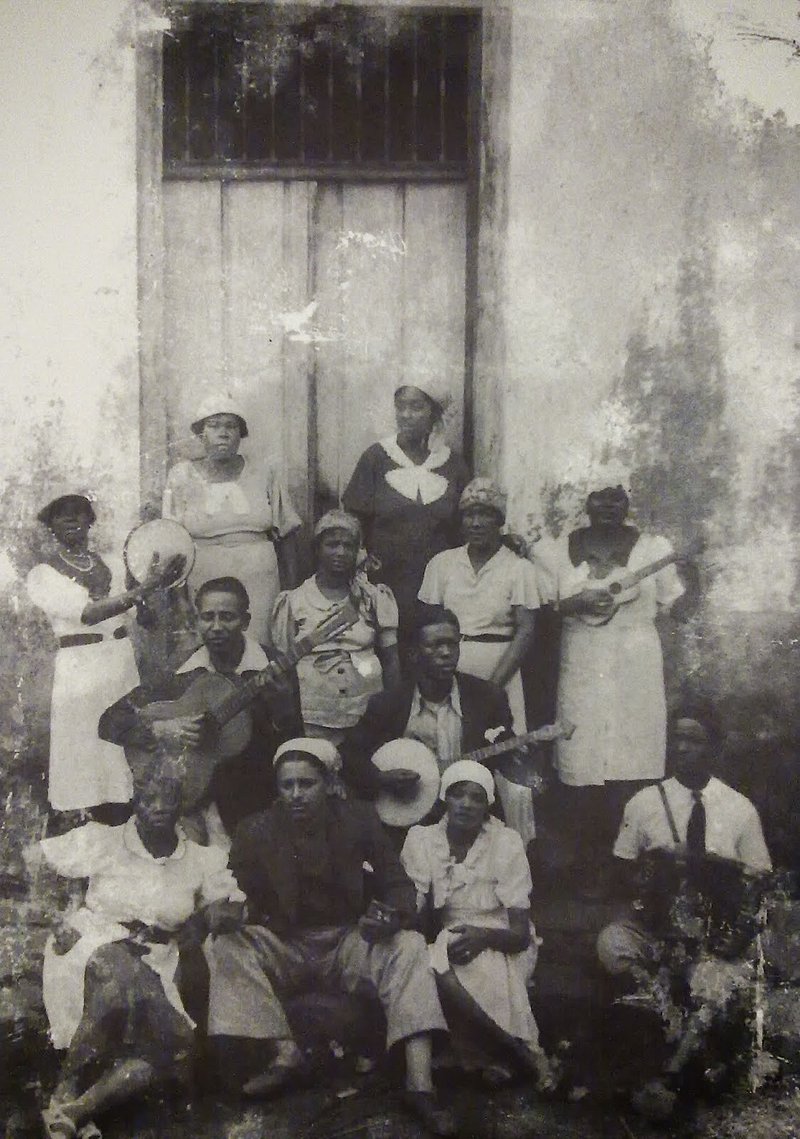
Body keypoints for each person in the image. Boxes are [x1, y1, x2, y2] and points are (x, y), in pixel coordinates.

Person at [204, 738, 457, 1136]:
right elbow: (233, 890)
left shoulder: (359, 818)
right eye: (287, 785)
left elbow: (397, 883)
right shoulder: (255, 829)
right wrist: (227, 912)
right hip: (286, 944)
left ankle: (420, 1084)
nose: (296, 794)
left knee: (409, 945)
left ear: (329, 783)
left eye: (307, 784)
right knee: (224, 945)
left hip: (347, 941)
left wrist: (391, 917)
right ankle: (285, 1053)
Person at [31, 762, 245, 1139]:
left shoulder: (200, 859)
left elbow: (230, 905)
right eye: (149, 798)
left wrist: (205, 918)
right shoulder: (105, 840)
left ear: (182, 803)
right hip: (91, 942)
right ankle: (66, 1090)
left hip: (157, 959)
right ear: (134, 800)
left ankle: (72, 1111)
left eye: (169, 798)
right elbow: (34, 858)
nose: (158, 806)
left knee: (175, 1046)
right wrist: (56, 916)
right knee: (120, 980)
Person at [596, 710, 772, 1120]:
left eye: (693, 739)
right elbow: (622, 872)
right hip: (658, 931)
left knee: (718, 981)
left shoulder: (739, 809)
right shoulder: (644, 803)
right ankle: (666, 1020)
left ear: (714, 747)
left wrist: (738, 933)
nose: (682, 748)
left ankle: (671, 1073)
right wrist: (652, 872)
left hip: (712, 937)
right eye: (676, 738)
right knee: (611, 942)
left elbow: (759, 883)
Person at [533, 485, 686, 885]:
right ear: (586, 502)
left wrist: (695, 574)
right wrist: (575, 603)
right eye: (599, 497)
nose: (607, 506)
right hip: (582, 663)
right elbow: (543, 608)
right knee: (582, 757)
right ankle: (590, 864)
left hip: (634, 666)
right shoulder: (554, 551)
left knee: (631, 759)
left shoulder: (654, 549)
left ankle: (630, 866)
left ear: (627, 502)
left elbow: (675, 606)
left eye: (616, 497)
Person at [99, 577, 302, 844]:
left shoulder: (272, 667)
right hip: (190, 803)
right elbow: (109, 722)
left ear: (245, 621)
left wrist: (283, 710)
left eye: (227, 617)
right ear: (197, 621)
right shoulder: (181, 670)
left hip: (253, 803)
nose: (216, 627)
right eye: (207, 617)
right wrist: (161, 729)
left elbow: (294, 743)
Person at [25, 491, 183, 820]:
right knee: (88, 753)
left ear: (90, 520)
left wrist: (152, 591)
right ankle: (92, 826)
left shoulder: (111, 562)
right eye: (62, 514)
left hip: (120, 664)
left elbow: (144, 617)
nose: (72, 519)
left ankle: (129, 823)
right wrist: (143, 588)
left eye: (79, 511)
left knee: (125, 753)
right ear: (51, 524)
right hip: (80, 669)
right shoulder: (42, 574)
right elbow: (87, 613)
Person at [401, 760, 553, 1091]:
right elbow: (416, 913)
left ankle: (494, 1053)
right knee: (439, 956)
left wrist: (483, 936)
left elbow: (519, 935)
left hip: (503, 938)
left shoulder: (506, 842)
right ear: (444, 798)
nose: (466, 804)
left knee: (472, 962)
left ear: (488, 805)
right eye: (458, 795)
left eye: (477, 797)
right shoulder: (422, 840)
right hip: (451, 936)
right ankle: (518, 1052)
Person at [418, 478, 540, 844]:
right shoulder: (442, 564)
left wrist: (492, 688)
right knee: (452, 754)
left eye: (485, 514)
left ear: (499, 520)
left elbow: (526, 631)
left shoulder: (518, 568)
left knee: (507, 759)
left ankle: (516, 849)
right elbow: (427, 623)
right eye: (469, 514)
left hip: (500, 668)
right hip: (449, 668)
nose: (476, 522)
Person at [340, 607, 517, 811]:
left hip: (467, 812)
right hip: (408, 809)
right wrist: (381, 778)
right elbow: (349, 755)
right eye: (435, 645)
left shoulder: (487, 698)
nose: (446, 653)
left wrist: (520, 754)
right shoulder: (389, 704)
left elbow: (504, 752)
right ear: (413, 653)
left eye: (452, 643)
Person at [162, 394, 301, 643]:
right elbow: (172, 545)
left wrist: (290, 595)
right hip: (203, 580)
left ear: (241, 434)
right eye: (214, 426)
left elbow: (288, 533)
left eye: (231, 426)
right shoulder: (181, 476)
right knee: (209, 650)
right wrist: (180, 600)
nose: (223, 434)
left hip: (259, 581)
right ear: (201, 434)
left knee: (259, 648)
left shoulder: (265, 472)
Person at [343, 384, 469, 642]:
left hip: (439, 587)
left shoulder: (453, 464)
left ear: (434, 413)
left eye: (416, 407)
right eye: (400, 407)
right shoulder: (376, 458)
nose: (406, 415)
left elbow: (466, 526)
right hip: (386, 584)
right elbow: (352, 522)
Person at [270, 510, 400, 742]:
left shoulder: (373, 598)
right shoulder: (294, 601)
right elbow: (284, 666)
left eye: (348, 546)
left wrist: (389, 710)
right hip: (313, 717)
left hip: (366, 716)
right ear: (317, 549)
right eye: (332, 544)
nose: (340, 552)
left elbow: (391, 660)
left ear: (358, 551)